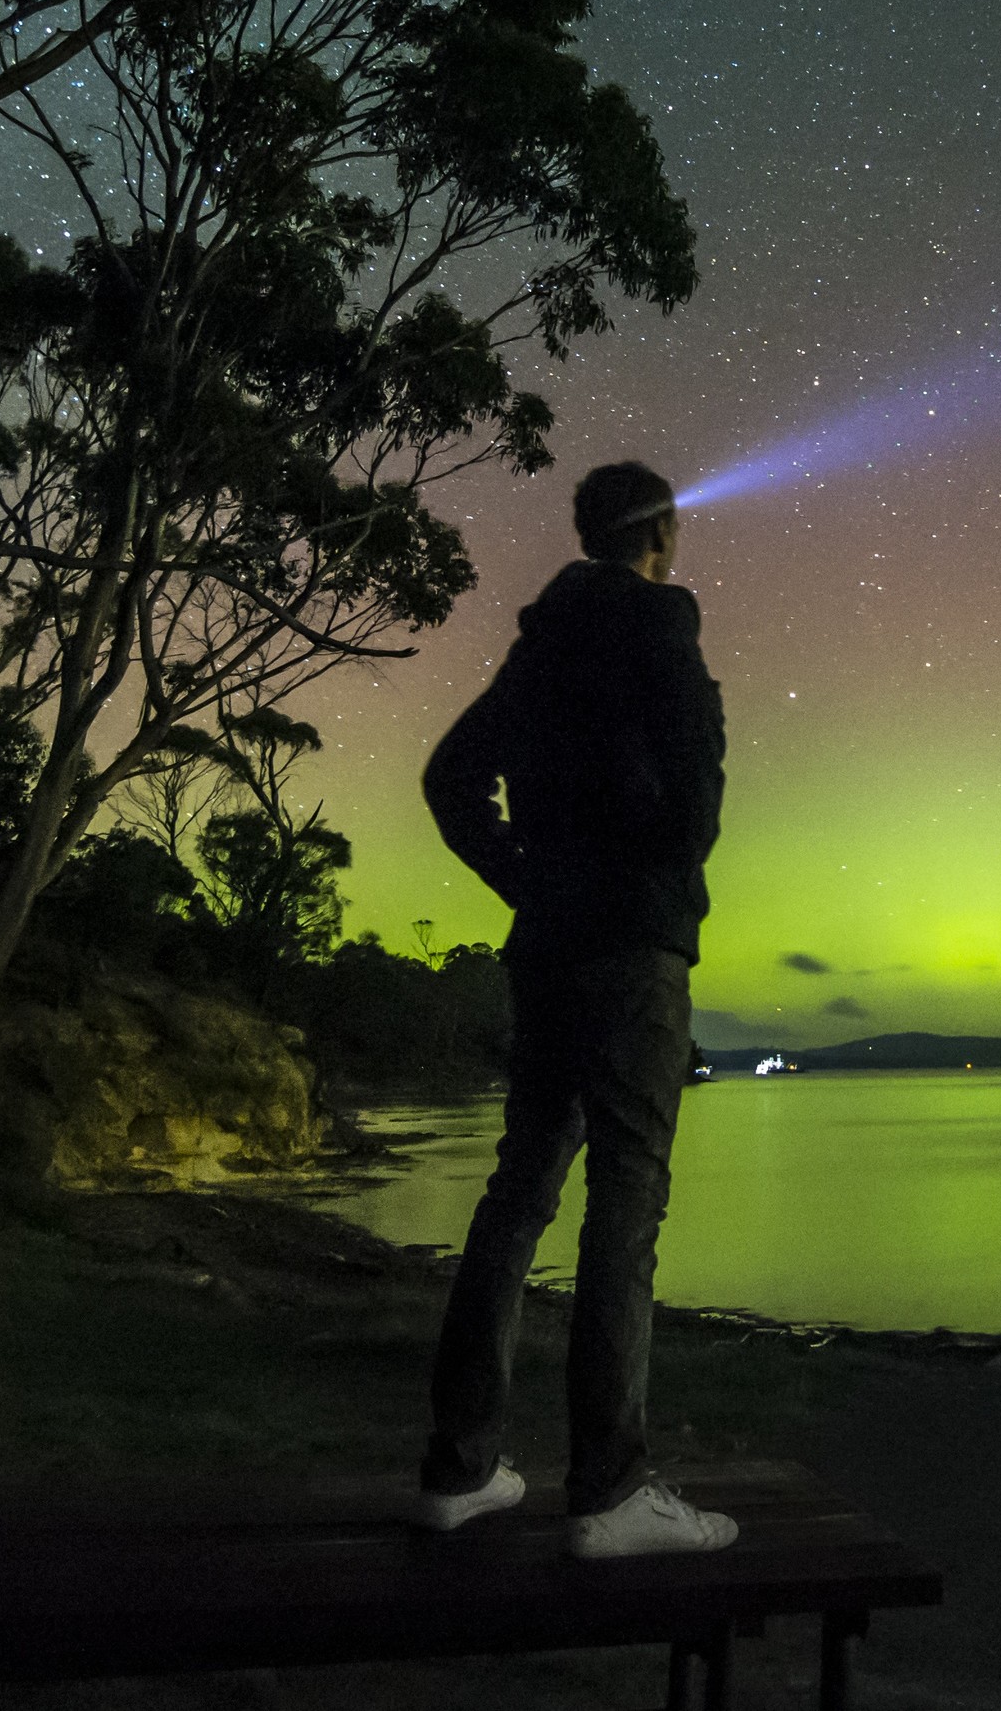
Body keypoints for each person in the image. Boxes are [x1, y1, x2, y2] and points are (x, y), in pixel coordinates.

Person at [411, 459, 738, 1557]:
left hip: (546, 948)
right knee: (624, 1204)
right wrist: (637, 880)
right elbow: (695, 809)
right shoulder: (660, 627)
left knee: (517, 1195)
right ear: (662, 532)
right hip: (629, 956)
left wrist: (528, 879)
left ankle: (459, 1468)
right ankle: (606, 1490)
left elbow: (450, 776)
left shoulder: (539, 647)